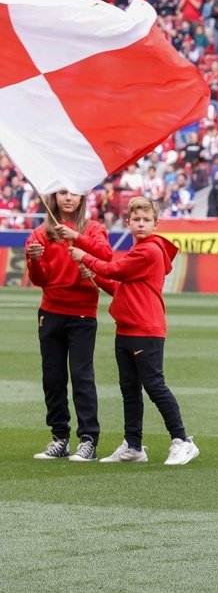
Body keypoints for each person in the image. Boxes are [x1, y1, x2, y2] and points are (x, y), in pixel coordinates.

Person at [70, 197, 200, 465]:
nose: (141, 224)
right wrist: (94, 275)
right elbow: (120, 287)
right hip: (128, 328)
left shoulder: (149, 250)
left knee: (154, 386)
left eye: (146, 220)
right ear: (128, 222)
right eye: (136, 220)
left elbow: (115, 269)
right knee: (129, 389)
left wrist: (87, 258)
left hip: (146, 328)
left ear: (155, 224)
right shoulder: (139, 249)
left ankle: (182, 441)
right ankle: (133, 445)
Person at [25, 190, 112, 461]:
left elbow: (106, 255)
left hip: (83, 314)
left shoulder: (94, 229)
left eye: (74, 193)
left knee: (81, 376)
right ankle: (59, 438)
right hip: (50, 312)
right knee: (53, 378)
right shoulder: (41, 233)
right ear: (54, 197)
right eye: (63, 192)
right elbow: (40, 279)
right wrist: (34, 259)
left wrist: (77, 237)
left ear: (82, 199)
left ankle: (88, 439)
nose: (68, 198)